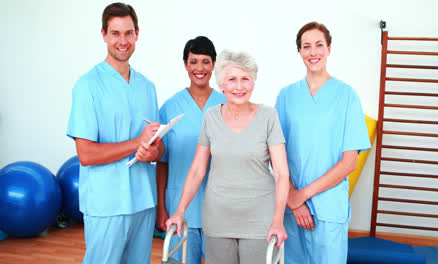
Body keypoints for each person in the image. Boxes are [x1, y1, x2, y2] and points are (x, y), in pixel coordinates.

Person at [166, 50, 289, 264]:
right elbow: (197, 169)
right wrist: (179, 211)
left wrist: (278, 220)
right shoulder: (211, 116)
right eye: (232, 79)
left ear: (253, 83)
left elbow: (281, 173)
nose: (239, 86)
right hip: (217, 217)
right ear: (222, 84)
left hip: (259, 218)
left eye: (245, 79)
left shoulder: (269, 117)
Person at [66, 3, 164, 263]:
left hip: (143, 201)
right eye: (116, 33)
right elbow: (85, 154)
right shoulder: (88, 85)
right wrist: (136, 143)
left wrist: (152, 150)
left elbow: (157, 146)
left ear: (137, 34)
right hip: (107, 203)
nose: (123, 41)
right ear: (104, 35)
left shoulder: (147, 86)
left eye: (128, 33)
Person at [275, 22, 371, 264]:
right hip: (292, 209)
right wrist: (293, 200)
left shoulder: (347, 96)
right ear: (299, 52)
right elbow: (276, 155)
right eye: (306, 46)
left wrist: (302, 195)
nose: (313, 52)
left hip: (328, 209)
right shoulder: (285, 97)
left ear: (329, 49)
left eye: (319, 45)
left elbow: (349, 163)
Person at [156, 36, 226, 264]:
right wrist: (161, 208)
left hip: (219, 208)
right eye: (193, 61)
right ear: (185, 64)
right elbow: (162, 163)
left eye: (205, 61)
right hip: (180, 207)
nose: (199, 68)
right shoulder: (170, 108)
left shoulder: (226, 104)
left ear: (214, 64)